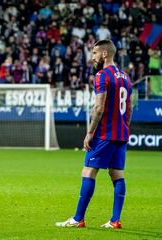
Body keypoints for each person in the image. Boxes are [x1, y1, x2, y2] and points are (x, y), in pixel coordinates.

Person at [56, 40, 133, 228]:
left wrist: (90, 132)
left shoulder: (102, 75)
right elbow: (129, 108)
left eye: (95, 53)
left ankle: (77, 219)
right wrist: (124, 127)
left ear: (105, 54)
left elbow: (98, 107)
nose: (92, 57)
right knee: (117, 174)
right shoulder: (125, 77)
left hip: (104, 134)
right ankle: (115, 220)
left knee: (88, 171)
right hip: (121, 133)